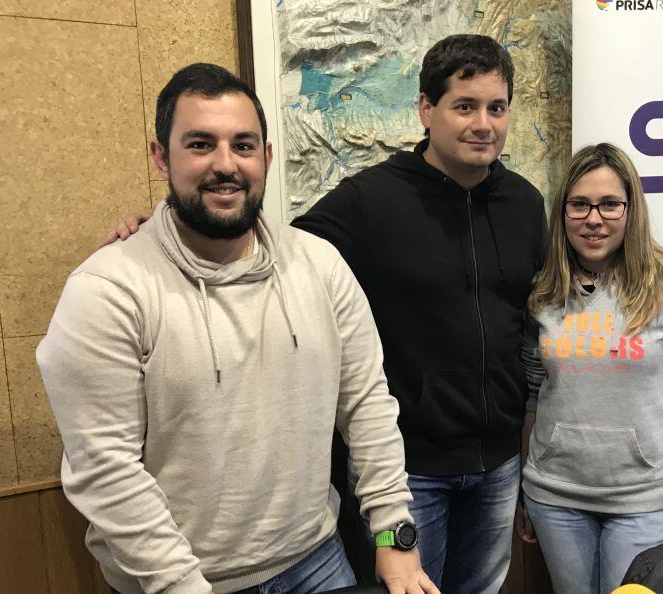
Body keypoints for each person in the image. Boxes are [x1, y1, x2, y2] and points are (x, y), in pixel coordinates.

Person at [100, 36, 546, 594]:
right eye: (464, 106)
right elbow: (258, 242)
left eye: (496, 108)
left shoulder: (527, 204)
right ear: (427, 110)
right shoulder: (370, 200)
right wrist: (166, 229)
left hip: (498, 463)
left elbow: (553, 298)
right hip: (410, 467)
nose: (483, 123)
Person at [38, 63, 437, 594]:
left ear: (266, 157)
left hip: (318, 561)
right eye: (201, 144)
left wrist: (395, 539)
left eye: (243, 145)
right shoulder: (107, 291)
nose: (225, 164)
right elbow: (106, 472)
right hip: (178, 581)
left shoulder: (321, 265)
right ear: (161, 157)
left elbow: (366, 404)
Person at [513, 143, 663, 594]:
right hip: (556, 496)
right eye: (579, 204)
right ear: (563, 211)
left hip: (643, 501)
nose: (594, 218)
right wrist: (526, 485)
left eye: (609, 205)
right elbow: (533, 395)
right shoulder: (543, 289)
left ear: (631, 209)